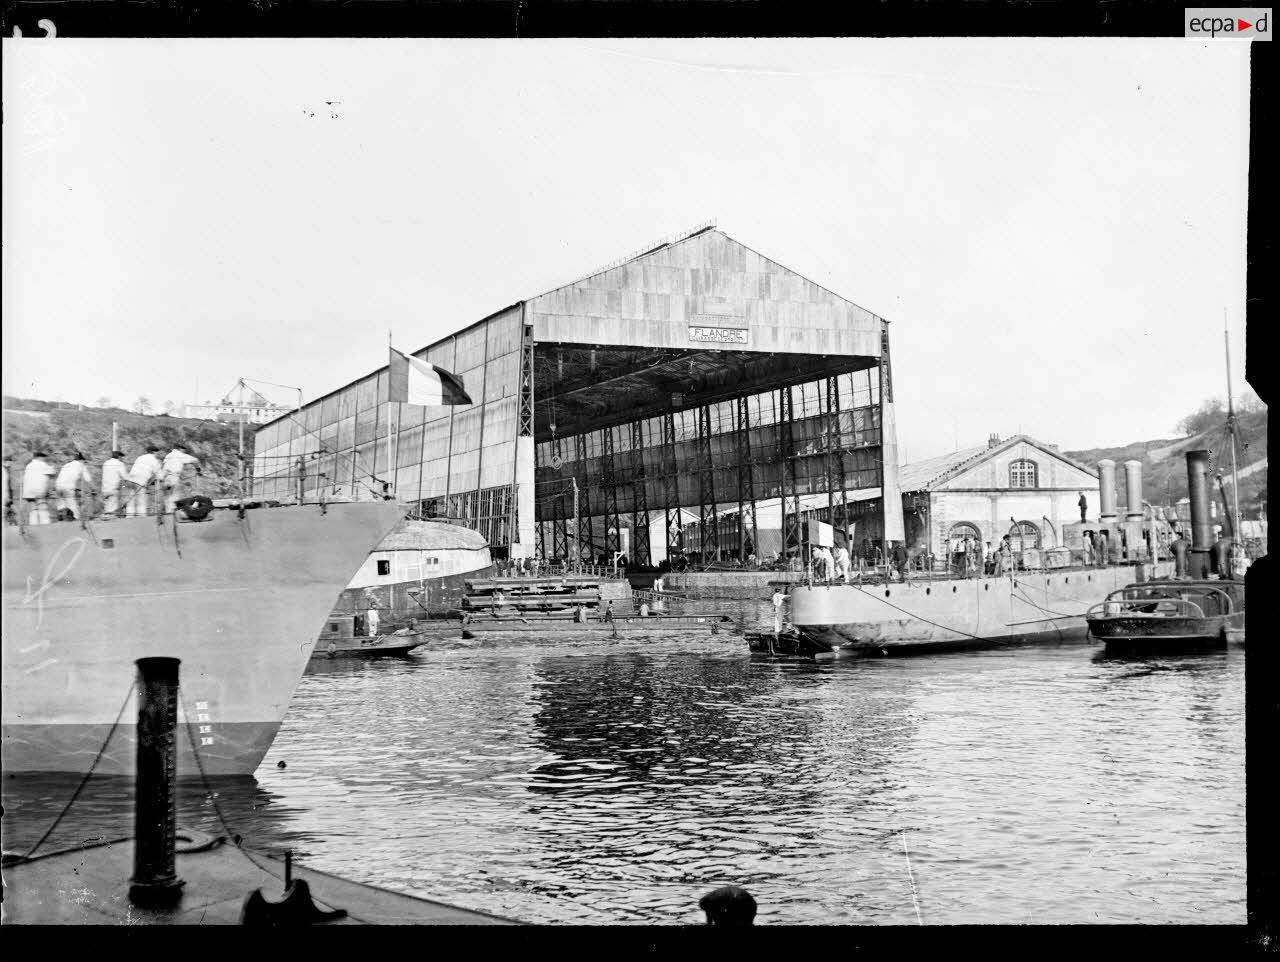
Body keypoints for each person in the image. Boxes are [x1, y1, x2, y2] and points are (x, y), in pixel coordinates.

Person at [161, 443, 202, 513]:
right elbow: (195, 460)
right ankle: (172, 516)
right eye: (183, 450)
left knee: (167, 499)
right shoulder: (180, 455)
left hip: (165, 479)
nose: (184, 452)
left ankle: (168, 516)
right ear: (180, 449)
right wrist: (198, 470)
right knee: (174, 498)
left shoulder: (168, 456)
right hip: (174, 478)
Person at [54, 452, 95, 521]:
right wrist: (93, 489)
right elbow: (88, 479)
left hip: (58, 486)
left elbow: (65, 476)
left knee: (62, 505)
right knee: (72, 505)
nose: (84, 463)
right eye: (84, 461)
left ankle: (61, 516)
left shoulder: (66, 465)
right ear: (81, 460)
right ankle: (76, 520)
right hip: (68, 487)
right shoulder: (81, 466)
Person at [123, 445, 163, 517]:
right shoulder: (154, 460)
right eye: (157, 452)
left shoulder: (140, 457)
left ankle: (129, 517)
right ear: (154, 452)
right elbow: (160, 476)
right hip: (140, 481)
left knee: (131, 500)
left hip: (130, 479)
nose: (158, 454)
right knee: (141, 500)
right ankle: (141, 517)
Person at [21, 451, 57, 525]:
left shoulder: (29, 465)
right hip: (39, 490)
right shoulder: (42, 464)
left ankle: (33, 525)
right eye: (44, 458)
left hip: (28, 492)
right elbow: (52, 473)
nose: (44, 459)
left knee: (33, 510)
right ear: (40, 457)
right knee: (43, 508)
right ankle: (45, 525)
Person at [101, 450, 128, 518]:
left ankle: (106, 521)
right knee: (112, 510)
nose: (122, 459)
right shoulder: (119, 464)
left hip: (105, 489)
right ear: (119, 457)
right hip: (113, 489)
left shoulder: (106, 463)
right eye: (122, 457)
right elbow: (125, 477)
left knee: (107, 508)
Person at [2, 456, 14, 524]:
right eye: (9, 462)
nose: (10, 464)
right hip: (5, 495)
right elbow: (4, 484)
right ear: (5, 462)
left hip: (8, 495)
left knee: (8, 512)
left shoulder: (6, 470)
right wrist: (7, 496)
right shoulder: (4, 470)